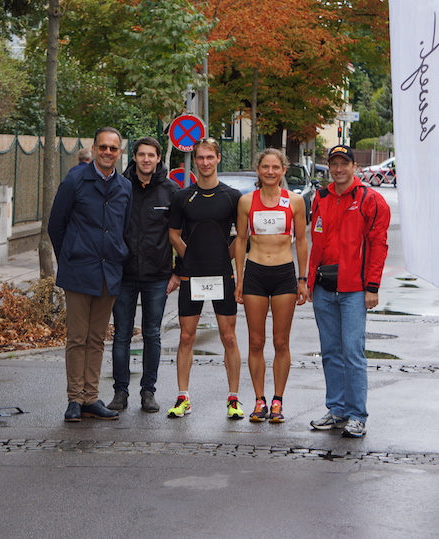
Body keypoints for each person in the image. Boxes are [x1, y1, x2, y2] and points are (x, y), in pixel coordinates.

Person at [48, 127, 131, 422]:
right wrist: (69, 257)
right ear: (94, 149)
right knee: (77, 337)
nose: (108, 152)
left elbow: (124, 228)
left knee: (97, 338)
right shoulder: (75, 181)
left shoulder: (124, 187)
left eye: (113, 148)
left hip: (110, 272)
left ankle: (91, 398)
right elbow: (56, 226)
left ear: (119, 152)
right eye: (103, 147)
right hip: (79, 271)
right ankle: (74, 399)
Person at [307, 145, 390, 438]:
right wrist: (308, 282)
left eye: (344, 163)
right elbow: (316, 243)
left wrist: (372, 287)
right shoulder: (322, 197)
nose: (339, 169)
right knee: (330, 352)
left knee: (352, 351)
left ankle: (357, 415)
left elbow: (379, 245)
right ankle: (337, 409)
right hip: (324, 288)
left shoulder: (371, 200)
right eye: (334, 164)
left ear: (354, 166)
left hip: (354, 289)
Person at [167, 137, 244, 419]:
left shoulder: (232, 197)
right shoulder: (182, 196)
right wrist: (190, 256)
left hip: (223, 275)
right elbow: (173, 234)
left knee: (229, 337)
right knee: (187, 337)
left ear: (218, 158)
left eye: (210, 157)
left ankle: (233, 398)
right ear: (195, 160)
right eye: (200, 158)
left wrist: (225, 256)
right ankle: (183, 397)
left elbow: (243, 236)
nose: (205, 162)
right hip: (191, 277)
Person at [234, 148, 308, 423]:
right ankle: (259, 400)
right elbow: (240, 240)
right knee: (256, 341)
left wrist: (302, 279)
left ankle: (277, 400)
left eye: (275, 167)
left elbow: (301, 241)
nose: (270, 172)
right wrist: (239, 279)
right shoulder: (245, 202)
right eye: (265, 167)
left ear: (283, 170)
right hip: (255, 273)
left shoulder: (295, 202)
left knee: (280, 341)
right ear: (258, 169)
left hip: (283, 275)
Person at [107, 137, 180, 413]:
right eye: (141, 155)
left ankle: (148, 392)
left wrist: (178, 272)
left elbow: (180, 235)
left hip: (158, 275)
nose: (146, 159)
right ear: (134, 157)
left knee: (152, 334)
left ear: (159, 158)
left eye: (151, 155)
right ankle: (120, 392)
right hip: (124, 274)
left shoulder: (171, 190)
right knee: (121, 335)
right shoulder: (121, 187)